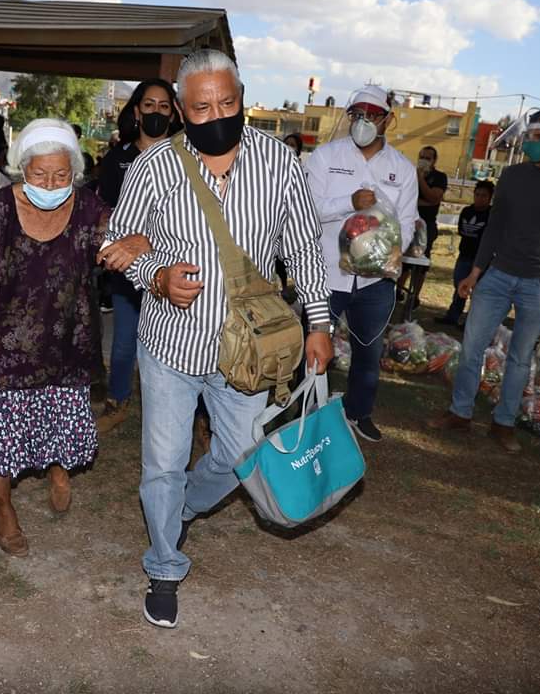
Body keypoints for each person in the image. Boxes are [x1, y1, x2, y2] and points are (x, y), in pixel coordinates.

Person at [105, 49, 333, 629]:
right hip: (171, 344)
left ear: (242, 98)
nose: (216, 116)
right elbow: (117, 241)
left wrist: (319, 323)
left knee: (239, 457)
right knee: (163, 462)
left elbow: (304, 250)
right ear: (182, 110)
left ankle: (182, 506)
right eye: (202, 108)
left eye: (227, 103)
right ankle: (164, 564)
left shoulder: (280, 163)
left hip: (248, 352)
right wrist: (155, 276)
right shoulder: (155, 165)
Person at [0, 119, 112, 557]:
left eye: (61, 175)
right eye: (40, 174)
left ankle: (58, 468)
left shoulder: (89, 208)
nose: (51, 184)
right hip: (7, 347)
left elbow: (118, 249)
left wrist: (137, 247)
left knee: (62, 424)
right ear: (22, 169)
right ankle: (3, 507)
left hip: (68, 343)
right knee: (2, 439)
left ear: (74, 172)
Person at [428, 109, 540, 452]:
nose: (530, 143)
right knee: (472, 347)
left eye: (539, 138)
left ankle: (503, 422)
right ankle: (460, 413)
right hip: (498, 275)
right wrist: (475, 273)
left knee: (521, 358)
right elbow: (494, 227)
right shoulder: (512, 176)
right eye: (529, 136)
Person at [304, 85, 419, 442]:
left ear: (388, 119)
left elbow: (407, 222)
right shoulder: (325, 157)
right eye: (357, 114)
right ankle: (306, 416)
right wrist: (348, 203)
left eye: (372, 115)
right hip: (326, 274)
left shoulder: (402, 169)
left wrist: (385, 256)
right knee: (314, 346)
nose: (363, 122)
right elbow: (308, 210)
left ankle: (358, 412)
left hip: (375, 281)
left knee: (368, 352)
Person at [95, 77, 183, 435]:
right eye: (149, 106)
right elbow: (107, 213)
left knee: (179, 346)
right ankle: (117, 402)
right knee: (123, 344)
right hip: (130, 271)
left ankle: (190, 417)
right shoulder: (119, 158)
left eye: (164, 106)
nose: (156, 112)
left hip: (174, 267)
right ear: (136, 111)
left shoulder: (186, 159)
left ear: (174, 113)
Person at [439, 180, 494, 327]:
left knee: (478, 291)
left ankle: (471, 321)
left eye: (484, 195)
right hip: (465, 255)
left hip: (482, 260)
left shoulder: (492, 215)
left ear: (490, 198)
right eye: (477, 194)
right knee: (459, 285)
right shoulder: (467, 211)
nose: (479, 198)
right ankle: (453, 316)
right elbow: (461, 230)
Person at [396, 145, 446, 306]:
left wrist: (421, 179)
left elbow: (433, 198)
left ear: (434, 161)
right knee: (403, 259)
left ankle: (414, 296)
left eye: (427, 158)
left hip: (427, 225)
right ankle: (398, 291)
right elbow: (403, 198)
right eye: (421, 157)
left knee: (420, 263)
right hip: (407, 222)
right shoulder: (409, 174)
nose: (423, 160)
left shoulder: (439, 177)